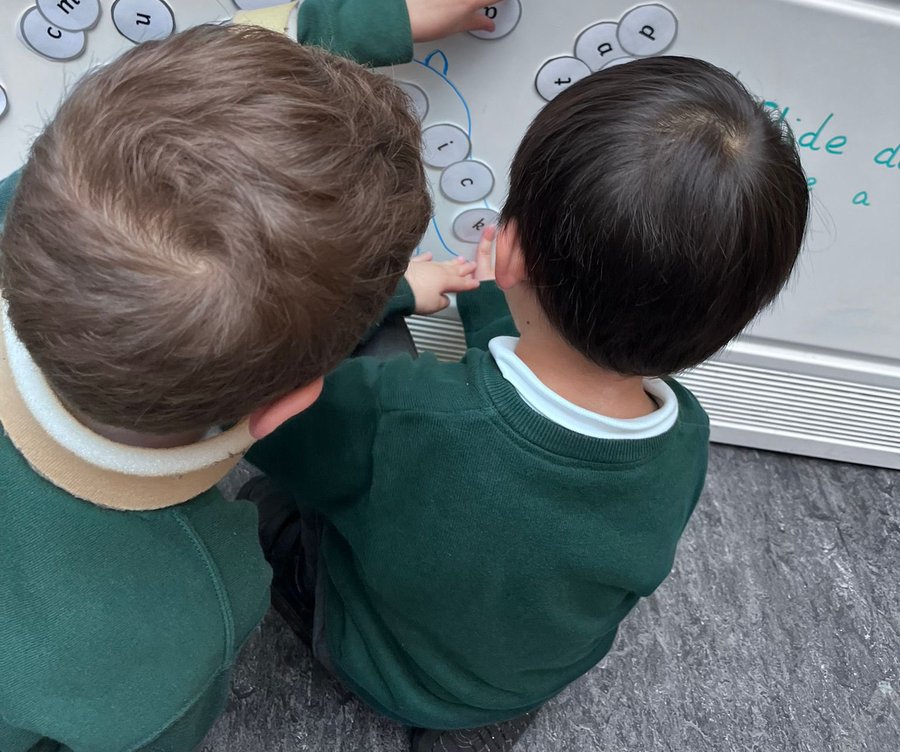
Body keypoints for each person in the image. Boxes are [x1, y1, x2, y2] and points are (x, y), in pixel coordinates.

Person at [0, 0, 515, 752]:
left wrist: (382, 17)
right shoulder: (189, 600)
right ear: (289, 405)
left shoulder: (35, 198)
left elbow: (189, 101)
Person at [242, 55, 811, 752]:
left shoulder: (403, 410)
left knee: (267, 499)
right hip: (526, 683)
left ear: (511, 251)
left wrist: (389, 293)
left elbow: (270, 424)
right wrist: (489, 297)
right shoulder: (686, 438)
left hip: (376, 662)